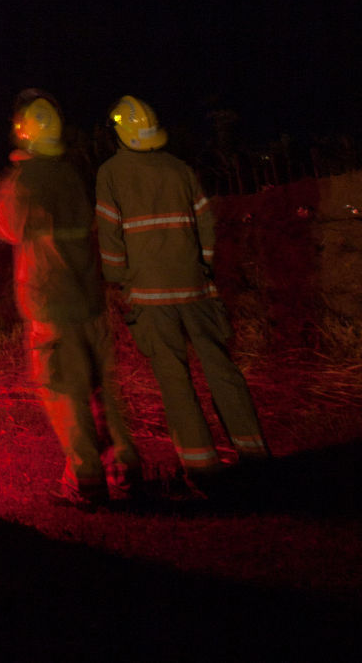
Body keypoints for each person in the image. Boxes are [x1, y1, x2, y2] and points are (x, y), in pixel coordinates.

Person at [95, 95, 269, 490]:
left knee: (175, 379)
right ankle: (255, 455)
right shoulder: (180, 169)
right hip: (196, 290)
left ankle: (202, 469)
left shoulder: (110, 173)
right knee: (222, 370)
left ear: (119, 133)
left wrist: (120, 280)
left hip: (149, 297)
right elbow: (206, 224)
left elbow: (109, 234)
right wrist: (202, 266)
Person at [0, 91, 141, 507]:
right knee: (103, 391)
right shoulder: (72, 173)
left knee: (65, 394)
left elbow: (2, 224)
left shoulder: (26, 181)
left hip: (51, 307)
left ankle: (85, 479)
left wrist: (14, 172)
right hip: (88, 301)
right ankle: (125, 470)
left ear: (24, 131)